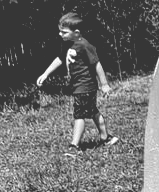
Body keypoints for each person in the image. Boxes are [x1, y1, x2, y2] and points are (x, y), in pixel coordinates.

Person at [35, 13, 114, 148]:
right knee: (93, 112)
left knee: (79, 115)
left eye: (64, 32)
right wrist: (46, 73)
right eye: (60, 31)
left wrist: (104, 84)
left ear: (76, 33)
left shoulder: (84, 45)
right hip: (79, 86)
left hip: (85, 86)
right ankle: (105, 138)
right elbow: (60, 59)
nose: (60, 34)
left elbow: (97, 64)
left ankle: (74, 145)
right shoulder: (69, 44)